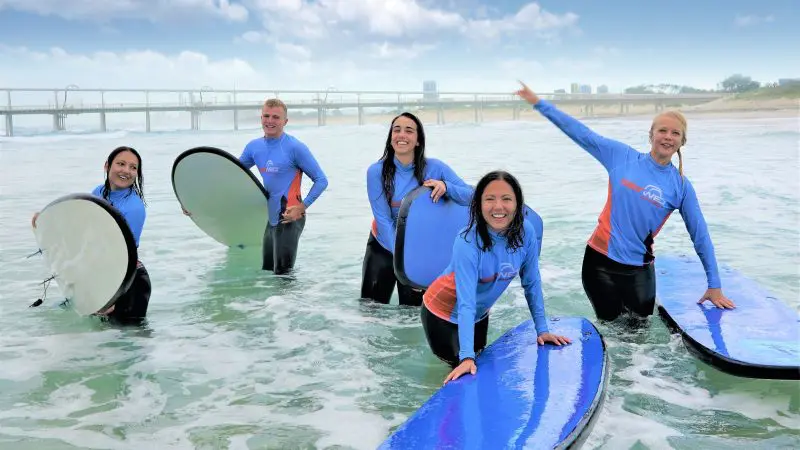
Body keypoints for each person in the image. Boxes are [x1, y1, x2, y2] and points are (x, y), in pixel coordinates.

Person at [514, 80, 735, 323]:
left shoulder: (681, 186)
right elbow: (580, 133)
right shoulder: (621, 156)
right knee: (612, 334)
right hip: (599, 265)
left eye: (675, 133)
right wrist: (539, 103)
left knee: (639, 340)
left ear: (682, 142)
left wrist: (714, 285)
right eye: (662, 130)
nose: (668, 137)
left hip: (639, 271)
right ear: (651, 135)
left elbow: (700, 234)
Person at [422, 170, 571, 383]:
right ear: (478, 205)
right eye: (489, 199)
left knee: (479, 366)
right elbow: (466, 302)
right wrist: (465, 357)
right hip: (442, 314)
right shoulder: (467, 242)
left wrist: (543, 330)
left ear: (518, 203)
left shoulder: (526, 232)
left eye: (506, 199)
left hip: (479, 314)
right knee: (461, 372)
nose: (498, 207)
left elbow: (532, 283)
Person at [362, 112, 474, 306]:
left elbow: (473, 197)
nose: (401, 135)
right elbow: (383, 219)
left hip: (420, 250)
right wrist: (404, 261)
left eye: (409, 131)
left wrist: (447, 187)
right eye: (396, 130)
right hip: (383, 246)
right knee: (371, 312)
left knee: (411, 318)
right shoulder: (376, 172)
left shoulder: (436, 168)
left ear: (418, 141)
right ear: (390, 139)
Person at [32, 146, 151, 324]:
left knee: (127, 345)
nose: (126, 170)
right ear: (107, 166)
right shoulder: (98, 193)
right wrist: (46, 221)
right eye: (121, 164)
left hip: (127, 283)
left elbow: (121, 255)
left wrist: (111, 296)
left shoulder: (134, 208)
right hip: (104, 275)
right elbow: (83, 231)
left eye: (133, 167)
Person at [236, 98, 329, 275]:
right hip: (271, 220)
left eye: (276, 117)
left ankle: (296, 303)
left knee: (284, 276)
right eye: (266, 116)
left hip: (290, 217)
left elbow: (321, 180)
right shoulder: (253, 147)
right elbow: (232, 175)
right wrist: (193, 202)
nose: (270, 121)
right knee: (268, 272)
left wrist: (302, 207)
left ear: (285, 121)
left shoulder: (295, 147)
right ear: (261, 118)